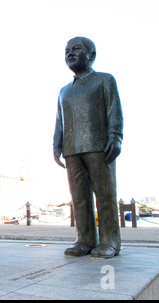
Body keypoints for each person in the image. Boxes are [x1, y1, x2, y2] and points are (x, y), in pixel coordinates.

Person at [53, 37, 123, 259]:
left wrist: (116, 136)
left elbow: (114, 110)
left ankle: (110, 241)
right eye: (67, 50)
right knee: (79, 198)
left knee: (105, 195)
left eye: (76, 49)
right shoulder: (64, 91)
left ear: (91, 55)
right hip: (71, 149)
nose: (70, 53)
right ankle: (84, 240)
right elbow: (59, 121)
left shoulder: (104, 80)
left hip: (98, 145)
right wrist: (56, 144)